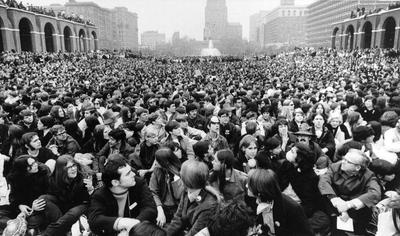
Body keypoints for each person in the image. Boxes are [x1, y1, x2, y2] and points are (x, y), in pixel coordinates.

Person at [318, 149, 381, 235]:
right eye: (344, 158)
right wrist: (335, 199)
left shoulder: (369, 176)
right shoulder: (335, 166)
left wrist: (348, 205)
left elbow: (375, 193)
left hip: (356, 211)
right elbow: (324, 181)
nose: (342, 162)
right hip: (333, 204)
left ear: (357, 167)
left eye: (347, 161)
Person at [87, 158, 157, 236]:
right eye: (128, 173)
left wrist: (132, 227)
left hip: (138, 231)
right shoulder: (100, 195)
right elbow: (94, 220)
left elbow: (150, 209)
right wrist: (121, 222)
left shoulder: (139, 184)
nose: (133, 174)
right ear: (115, 182)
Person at [32, 155, 92, 236]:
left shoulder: (83, 177)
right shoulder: (53, 179)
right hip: (63, 206)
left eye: (74, 165)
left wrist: (91, 189)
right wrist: (34, 206)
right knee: (43, 199)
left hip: (81, 206)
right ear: (61, 170)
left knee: (72, 213)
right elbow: (50, 197)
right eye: (69, 167)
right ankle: (64, 230)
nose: (74, 169)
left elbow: (92, 200)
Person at [247, 168, 314, 236]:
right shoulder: (255, 201)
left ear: (259, 190)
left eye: (249, 184)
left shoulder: (292, 208)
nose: (246, 186)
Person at [166, 160, 219, 236]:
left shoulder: (209, 206)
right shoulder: (186, 191)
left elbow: (196, 232)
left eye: (182, 177)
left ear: (188, 182)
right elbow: (178, 218)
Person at [1, 155, 50, 235]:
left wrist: (34, 207)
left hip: (38, 208)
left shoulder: (43, 172)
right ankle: (14, 224)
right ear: (23, 169)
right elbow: (13, 196)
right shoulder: (15, 178)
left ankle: (19, 227)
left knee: (33, 221)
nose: (36, 165)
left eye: (35, 162)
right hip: (22, 209)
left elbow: (49, 194)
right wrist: (20, 206)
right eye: (31, 165)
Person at [149, 147, 182, 227]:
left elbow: (178, 195)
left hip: (178, 209)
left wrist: (175, 179)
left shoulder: (181, 172)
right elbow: (152, 191)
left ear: (165, 162)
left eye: (157, 160)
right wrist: (159, 208)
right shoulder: (157, 171)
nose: (155, 162)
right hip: (163, 207)